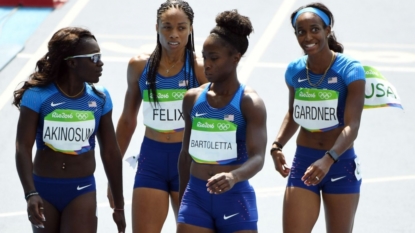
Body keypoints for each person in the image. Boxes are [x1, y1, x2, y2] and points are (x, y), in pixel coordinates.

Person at [13, 27, 126, 233]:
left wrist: (119, 205)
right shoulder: (37, 96)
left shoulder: (99, 98)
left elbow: (110, 153)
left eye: (99, 56)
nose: (100, 63)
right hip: (43, 190)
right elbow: (23, 147)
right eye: (93, 58)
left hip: (81, 190)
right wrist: (30, 193)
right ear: (72, 62)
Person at [270, 3, 365, 233]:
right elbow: (294, 113)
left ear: (327, 29)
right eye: (301, 32)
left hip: (340, 163)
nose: (308, 36)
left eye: (314, 29)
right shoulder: (294, 70)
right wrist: (277, 145)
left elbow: (352, 126)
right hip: (304, 161)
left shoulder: (350, 70)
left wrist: (329, 158)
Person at [115, 0, 206, 232]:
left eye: (181, 27)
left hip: (188, 161)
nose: (173, 34)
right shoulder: (139, 66)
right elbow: (127, 120)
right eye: (166, 26)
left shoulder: (200, 69)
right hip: (151, 160)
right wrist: (113, 173)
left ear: (191, 29)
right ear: (156, 27)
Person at [177, 10, 267, 233]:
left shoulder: (249, 103)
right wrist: (182, 200)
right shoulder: (192, 99)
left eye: (214, 58)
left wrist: (233, 176)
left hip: (234, 197)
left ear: (235, 57)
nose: (206, 64)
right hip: (195, 196)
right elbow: (185, 154)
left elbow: (258, 157)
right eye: (204, 56)